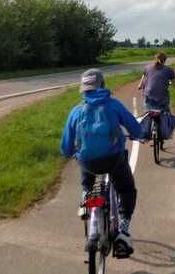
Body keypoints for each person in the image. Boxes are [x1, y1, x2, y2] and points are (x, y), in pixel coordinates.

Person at [60, 68, 145, 258]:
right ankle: (122, 231)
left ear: (84, 89)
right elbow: (133, 126)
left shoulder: (76, 111)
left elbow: (66, 144)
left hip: (88, 162)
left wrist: (68, 153)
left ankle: (85, 199)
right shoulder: (114, 106)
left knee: (83, 161)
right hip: (114, 160)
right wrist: (140, 135)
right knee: (126, 189)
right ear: (103, 85)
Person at [138, 52, 175, 148]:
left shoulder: (147, 68)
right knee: (166, 114)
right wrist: (172, 84)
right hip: (162, 98)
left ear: (154, 59)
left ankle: (145, 136)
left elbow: (143, 77)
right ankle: (165, 134)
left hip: (149, 96)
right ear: (165, 60)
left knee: (147, 114)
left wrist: (140, 85)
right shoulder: (169, 70)